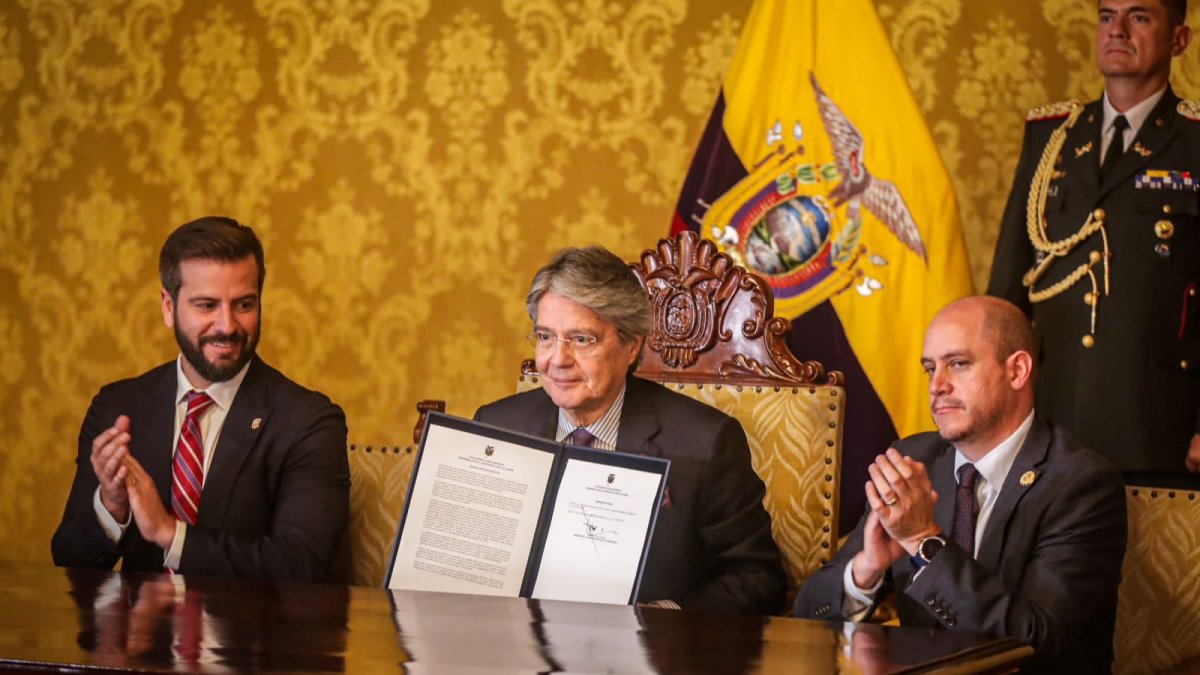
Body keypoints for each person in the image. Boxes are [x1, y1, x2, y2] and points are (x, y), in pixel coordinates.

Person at [793, 297, 1127, 674]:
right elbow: (807, 611)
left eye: (958, 364)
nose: (936, 386)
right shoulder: (912, 460)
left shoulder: (1081, 484)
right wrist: (866, 569)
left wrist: (923, 541)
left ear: (1017, 370)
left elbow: (1036, 641)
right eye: (929, 369)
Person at [474, 245, 786, 614]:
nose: (557, 360)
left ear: (631, 345)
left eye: (581, 339)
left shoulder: (705, 442)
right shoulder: (496, 428)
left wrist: (666, 616)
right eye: (545, 337)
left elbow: (756, 578)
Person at [51, 216, 349, 582]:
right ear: (167, 306)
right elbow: (67, 558)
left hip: (254, 638)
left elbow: (302, 566)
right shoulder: (117, 407)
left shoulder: (308, 421)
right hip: (139, 636)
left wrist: (170, 534)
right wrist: (111, 508)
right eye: (206, 305)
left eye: (244, 304)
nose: (227, 326)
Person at [988, 0, 1200, 484]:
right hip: (1052, 415)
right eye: (1108, 17)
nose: (1118, 30)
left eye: (1139, 17)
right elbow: (1009, 286)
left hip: (1156, 418)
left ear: (1179, 40)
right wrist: (994, 408)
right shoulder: (1052, 137)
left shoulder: (1193, 139)